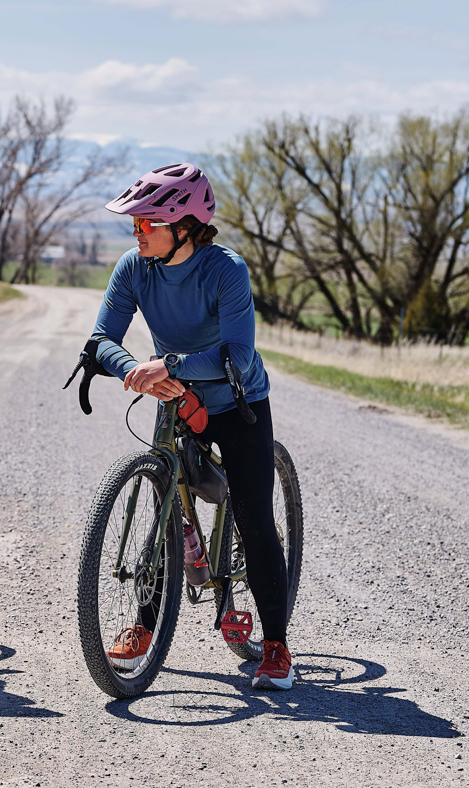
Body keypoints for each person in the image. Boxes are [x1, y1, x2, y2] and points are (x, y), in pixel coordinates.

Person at [86, 163, 294, 690]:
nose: (136, 234)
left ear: (182, 225)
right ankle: (145, 623)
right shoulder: (134, 268)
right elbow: (101, 338)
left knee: (252, 513)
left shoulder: (226, 270)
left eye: (145, 224)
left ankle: (274, 648)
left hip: (237, 401)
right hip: (175, 396)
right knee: (162, 504)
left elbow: (239, 355)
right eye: (134, 225)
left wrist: (170, 365)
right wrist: (131, 367)